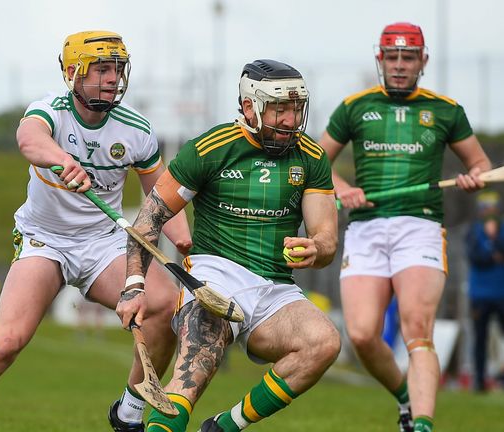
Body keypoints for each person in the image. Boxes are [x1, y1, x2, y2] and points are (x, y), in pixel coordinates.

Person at [0, 30, 191, 432]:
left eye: (117, 69)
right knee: (5, 344)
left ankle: (129, 410)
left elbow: (162, 197)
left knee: (166, 305)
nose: (112, 78)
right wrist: (61, 160)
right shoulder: (50, 111)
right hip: (45, 240)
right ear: (74, 73)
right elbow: (28, 138)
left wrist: (186, 245)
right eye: (102, 69)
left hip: (103, 244)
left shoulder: (137, 130)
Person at [120, 59, 341, 432]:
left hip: (276, 290)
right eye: (279, 109)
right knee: (192, 375)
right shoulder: (209, 149)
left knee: (323, 342)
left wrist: (315, 248)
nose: (290, 120)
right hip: (213, 281)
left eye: (296, 109)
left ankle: (226, 426)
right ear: (250, 106)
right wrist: (134, 286)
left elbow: (327, 239)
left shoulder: (312, 156)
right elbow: (149, 221)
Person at [317, 22, 491, 432]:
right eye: (391, 57)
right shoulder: (355, 107)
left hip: (421, 226)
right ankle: (405, 399)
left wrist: (474, 178)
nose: (399, 65)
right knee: (361, 334)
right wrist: (342, 190)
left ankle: (423, 425)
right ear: (380, 60)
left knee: (417, 331)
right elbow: (317, 160)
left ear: (422, 61)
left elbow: (480, 164)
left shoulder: (446, 110)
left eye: (407, 57)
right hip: (366, 228)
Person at [466, 191, 504, 392]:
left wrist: (495, 238)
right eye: (485, 207)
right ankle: (479, 380)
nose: (489, 211)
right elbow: (474, 257)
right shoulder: (473, 230)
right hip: (480, 294)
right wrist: (494, 255)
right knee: (480, 338)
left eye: (492, 207)